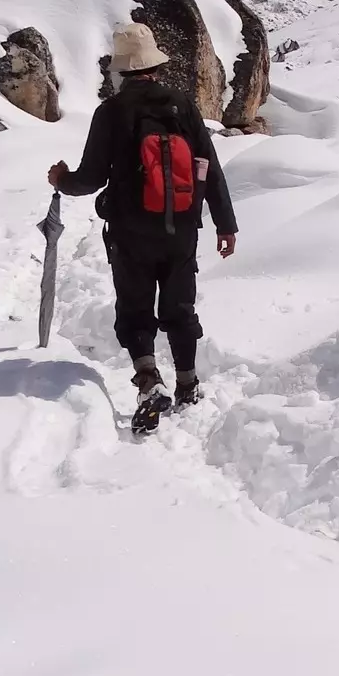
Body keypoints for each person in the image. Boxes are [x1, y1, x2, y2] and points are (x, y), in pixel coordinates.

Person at [49, 23, 237, 435]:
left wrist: (62, 180)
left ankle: (149, 381)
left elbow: (92, 177)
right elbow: (208, 165)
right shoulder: (182, 105)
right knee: (179, 307)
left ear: (121, 69)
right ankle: (188, 383)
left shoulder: (112, 112)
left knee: (135, 308)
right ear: (155, 64)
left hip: (130, 231)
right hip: (181, 227)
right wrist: (226, 224)